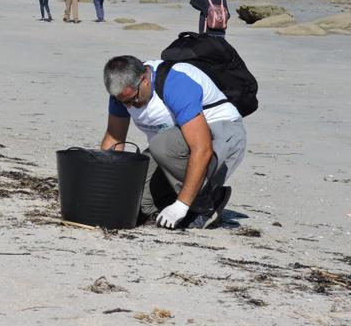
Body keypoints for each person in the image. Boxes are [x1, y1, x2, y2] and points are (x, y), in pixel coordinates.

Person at [101, 55, 246, 229]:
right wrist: (105, 190)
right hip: (177, 145)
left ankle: (205, 202)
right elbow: (114, 140)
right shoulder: (122, 93)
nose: (130, 106)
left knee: (162, 145)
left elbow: (202, 149)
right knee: (138, 200)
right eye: (123, 102)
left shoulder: (175, 84)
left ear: (144, 80)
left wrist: (182, 205)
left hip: (222, 134)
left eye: (133, 99)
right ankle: (186, 195)